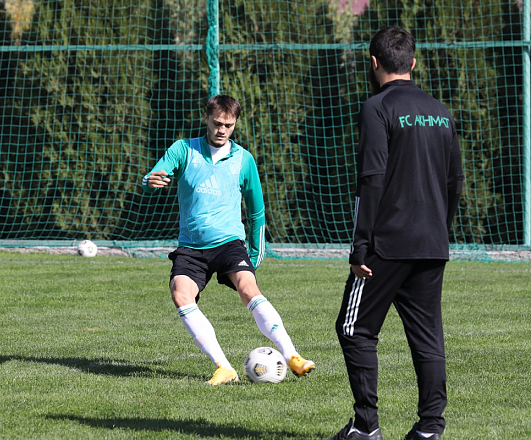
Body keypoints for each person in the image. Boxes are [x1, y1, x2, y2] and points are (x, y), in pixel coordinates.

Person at [324, 27, 464, 440]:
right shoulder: (441, 111)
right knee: (428, 337)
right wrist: (440, 229)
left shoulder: (377, 107)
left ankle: (366, 427)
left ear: (373, 63)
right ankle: (430, 429)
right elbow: (455, 183)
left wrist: (360, 246)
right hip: (432, 243)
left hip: (386, 244)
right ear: (413, 63)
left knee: (354, 329)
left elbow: (372, 180)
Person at [141, 94, 315, 385]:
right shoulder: (183, 149)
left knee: (249, 289)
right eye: (217, 123)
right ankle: (224, 367)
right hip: (191, 246)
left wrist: (256, 253)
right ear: (206, 118)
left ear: (235, 124)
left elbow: (257, 211)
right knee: (180, 293)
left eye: (229, 125)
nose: (222, 130)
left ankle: (292, 355)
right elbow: (154, 175)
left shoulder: (244, 160)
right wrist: (149, 181)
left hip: (229, 243)